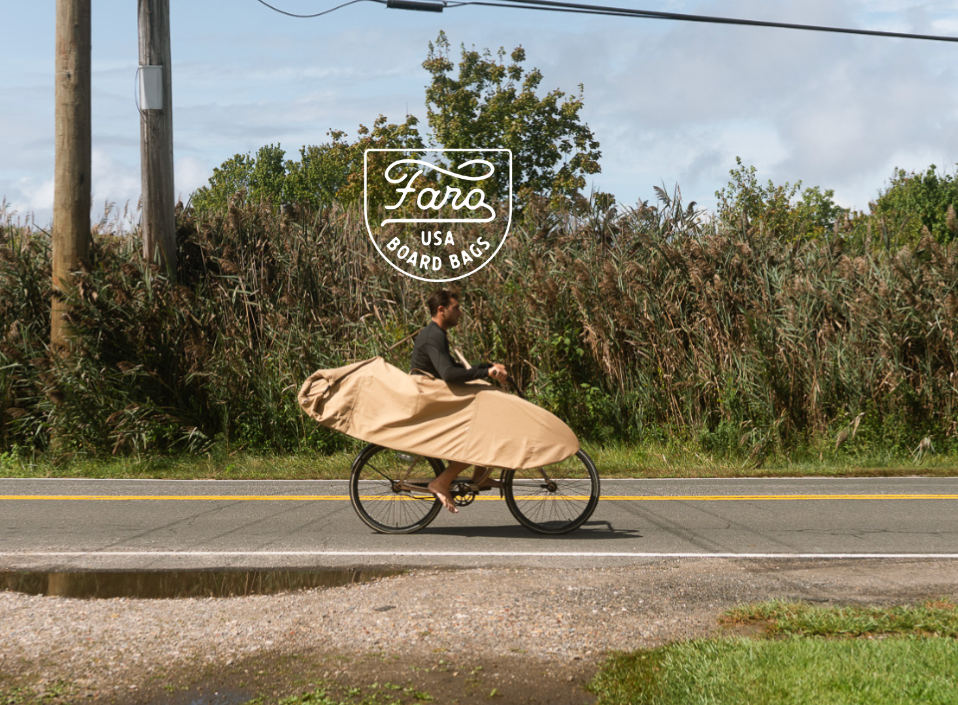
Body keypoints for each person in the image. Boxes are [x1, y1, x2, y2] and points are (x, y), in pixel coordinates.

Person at [409, 289, 508, 513]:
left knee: (486, 426)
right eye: (456, 308)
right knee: (480, 439)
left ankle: (479, 478)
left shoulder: (436, 334)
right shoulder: (433, 336)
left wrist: (488, 367)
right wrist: (487, 373)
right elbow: (450, 374)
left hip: (436, 401)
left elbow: (457, 370)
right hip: (430, 406)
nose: (461, 313)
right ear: (441, 310)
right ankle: (441, 482)